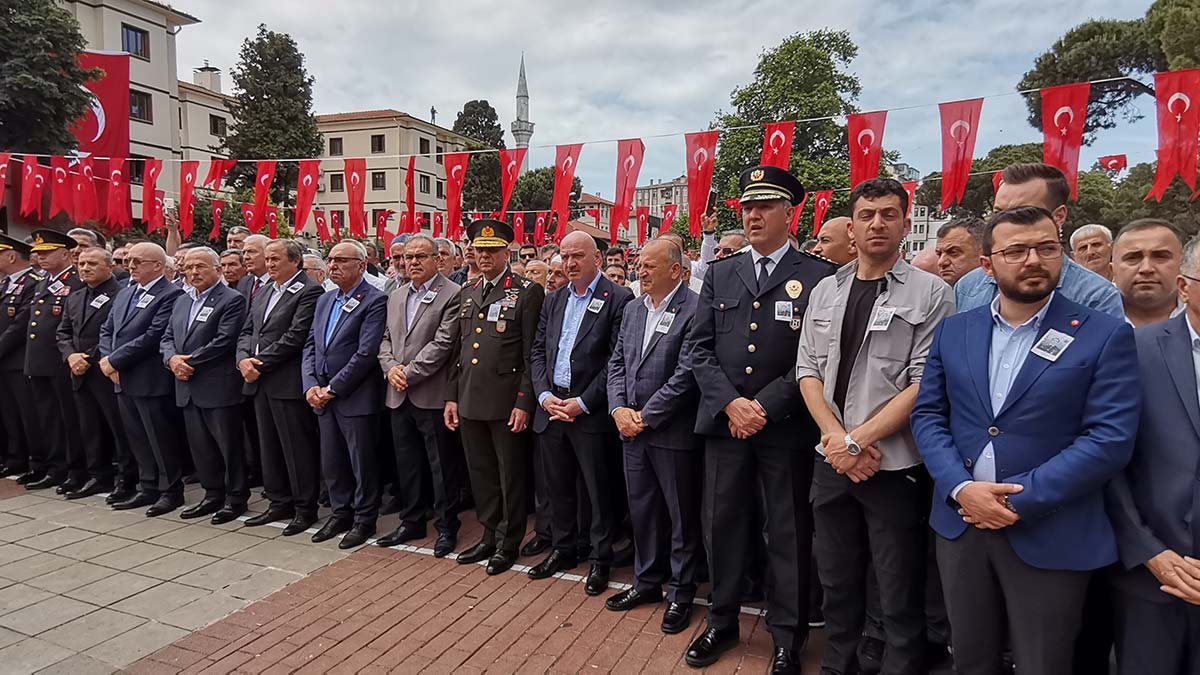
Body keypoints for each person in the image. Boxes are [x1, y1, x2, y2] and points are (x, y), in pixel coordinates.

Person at [911, 206, 1141, 675]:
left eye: (1046, 247)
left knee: (1044, 661)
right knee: (970, 658)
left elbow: (1109, 438)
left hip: (1050, 527)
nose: (1032, 259)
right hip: (962, 524)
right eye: (1015, 250)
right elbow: (930, 415)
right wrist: (961, 489)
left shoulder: (1104, 334)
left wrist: (1020, 499)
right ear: (988, 265)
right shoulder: (957, 330)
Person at [797, 178, 955, 675]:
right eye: (867, 215)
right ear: (852, 224)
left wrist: (856, 440)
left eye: (888, 214)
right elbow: (808, 370)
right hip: (833, 461)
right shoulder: (827, 289)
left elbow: (925, 381)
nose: (877, 223)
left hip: (892, 464)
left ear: (906, 223)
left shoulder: (932, 293)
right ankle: (837, 663)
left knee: (897, 585)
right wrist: (837, 441)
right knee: (837, 578)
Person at [684, 165, 837, 672]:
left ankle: (787, 637)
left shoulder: (817, 275)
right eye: (747, 207)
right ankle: (721, 621)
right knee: (721, 526)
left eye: (764, 206)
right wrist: (731, 404)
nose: (752, 215)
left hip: (786, 426)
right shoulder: (720, 273)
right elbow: (699, 349)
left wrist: (763, 407)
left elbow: (814, 358)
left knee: (787, 534)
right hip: (726, 426)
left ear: (788, 213)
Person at [1107, 235, 1200, 674]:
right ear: (1185, 287)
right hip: (1153, 570)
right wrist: (1148, 550)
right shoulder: (1133, 351)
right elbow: (1109, 460)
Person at [604, 238, 703, 634]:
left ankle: (681, 591)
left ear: (676, 270)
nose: (640, 271)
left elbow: (688, 374)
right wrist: (618, 410)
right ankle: (646, 582)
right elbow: (616, 364)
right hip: (631, 431)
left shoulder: (695, 309)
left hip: (671, 432)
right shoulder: (632, 309)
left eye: (649, 266)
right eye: (638, 265)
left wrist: (645, 416)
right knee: (642, 511)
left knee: (680, 517)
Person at [528, 231, 633, 592]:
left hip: (589, 410)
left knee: (597, 491)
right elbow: (539, 350)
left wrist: (583, 401)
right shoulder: (554, 299)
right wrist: (543, 395)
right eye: (565, 256)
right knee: (558, 487)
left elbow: (616, 360)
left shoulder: (619, 298)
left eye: (577, 257)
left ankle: (600, 558)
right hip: (552, 405)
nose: (570, 263)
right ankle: (563, 547)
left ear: (597, 260)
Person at [445, 219, 545, 575]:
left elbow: (532, 352)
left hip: (506, 401)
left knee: (510, 476)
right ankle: (489, 534)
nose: (484, 256)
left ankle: (508, 541)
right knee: (482, 473)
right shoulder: (468, 290)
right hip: (471, 398)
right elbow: (459, 349)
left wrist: (524, 401)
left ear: (507, 252)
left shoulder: (526, 291)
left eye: (492, 250)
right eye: (479, 250)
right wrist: (453, 396)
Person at [376, 235, 465, 557]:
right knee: (408, 464)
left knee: (442, 467)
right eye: (408, 257)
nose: (412, 262)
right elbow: (385, 340)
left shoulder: (453, 294)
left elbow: (443, 344)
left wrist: (407, 373)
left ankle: (446, 526)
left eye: (421, 256)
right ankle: (411, 521)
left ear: (437, 260)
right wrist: (390, 370)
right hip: (398, 393)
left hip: (430, 394)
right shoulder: (397, 295)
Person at [302, 240, 387, 549]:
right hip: (322, 395)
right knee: (332, 459)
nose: (333, 265)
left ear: (361, 265)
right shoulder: (325, 300)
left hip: (353, 396)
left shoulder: (375, 300)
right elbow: (311, 344)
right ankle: (340, 512)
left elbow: (365, 354)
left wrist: (332, 388)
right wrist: (310, 384)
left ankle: (365, 519)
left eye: (341, 260)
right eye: (331, 259)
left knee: (361, 462)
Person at [956, 163, 1122, 319]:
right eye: (999, 213)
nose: (1005, 223)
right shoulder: (968, 286)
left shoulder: (1097, 297)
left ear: (1059, 216)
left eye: (1021, 213)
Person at [238, 240, 325, 536]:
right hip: (259, 381)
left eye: (277, 259)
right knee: (269, 445)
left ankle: (304, 507)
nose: (271, 264)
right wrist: (242, 360)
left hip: (286, 381)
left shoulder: (308, 290)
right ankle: (278, 501)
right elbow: (248, 330)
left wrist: (258, 362)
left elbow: (296, 336)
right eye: (268, 259)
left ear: (295, 261)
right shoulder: (263, 291)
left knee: (296, 447)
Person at [161, 247, 248, 524]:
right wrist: (171, 359)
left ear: (218, 269)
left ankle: (236, 498)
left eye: (201, 267)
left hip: (217, 386)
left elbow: (225, 340)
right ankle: (212, 494)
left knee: (228, 447)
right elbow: (166, 336)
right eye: (189, 268)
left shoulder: (232, 299)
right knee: (200, 446)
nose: (194, 272)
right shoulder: (182, 300)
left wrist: (189, 362)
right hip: (186, 386)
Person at [99, 242, 187, 516]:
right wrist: (107, 358)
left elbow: (153, 336)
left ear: (158, 266)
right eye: (128, 261)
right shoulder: (127, 292)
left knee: (160, 438)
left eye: (138, 261)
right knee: (137, 436)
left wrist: (114, 360)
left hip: (150, 378)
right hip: (122, 377)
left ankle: (170, 491)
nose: (130, 266)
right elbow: (108, 328)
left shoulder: (170, 294)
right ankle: (148, 486)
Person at [55, 247, 129, 500]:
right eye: (82, 263)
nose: (85, 268)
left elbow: (116, 332)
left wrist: (88, 356)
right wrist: (71, 355)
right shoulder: (75, 296)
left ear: (109, 267)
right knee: (89, 426)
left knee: (117, 427)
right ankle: (98, 475)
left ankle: (126, 477)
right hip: (79, 370)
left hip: (104, 369)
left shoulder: (121, 294)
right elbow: (63, 332)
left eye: (92, 263)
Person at [22, 229, 86, 492]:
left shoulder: (76, 282)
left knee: (69, 419)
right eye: (38, 253)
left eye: (47, 253)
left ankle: (75, 469)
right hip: (40, 362)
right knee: (48, 418)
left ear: (65, 253)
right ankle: (55, 466)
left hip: (62, 361)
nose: (41, 257)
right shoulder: (42, 282)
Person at [0, 235, 38, 478]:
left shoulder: (32, 283)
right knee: (8, 413)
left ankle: (32, 458)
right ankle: (13, 458)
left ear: (11, 256)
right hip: (4, 361)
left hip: (18, 359)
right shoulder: (6, 284)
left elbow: (19, 325)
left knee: (26, 413)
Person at [1111, 219, 1184, 327]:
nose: (1146, 269)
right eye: (1133, 258)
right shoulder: (1088, 321)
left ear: (1183, 265)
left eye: (1160, 256)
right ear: (1112, 270)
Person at [934, 217, 986, 287]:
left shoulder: (1001, 294)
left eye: (953, 252)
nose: (941, 262)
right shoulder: (932, 293)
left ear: (984, 253)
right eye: (939, 254)